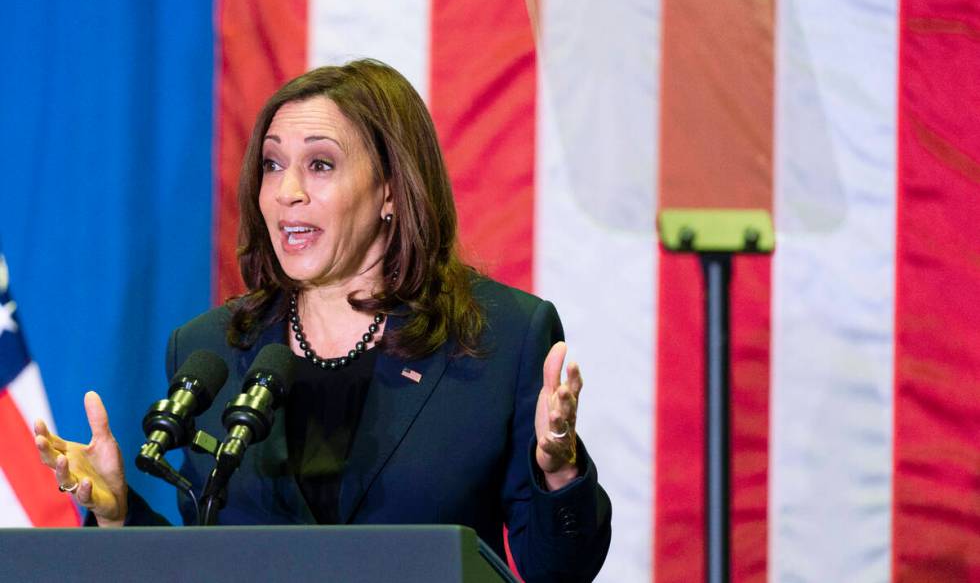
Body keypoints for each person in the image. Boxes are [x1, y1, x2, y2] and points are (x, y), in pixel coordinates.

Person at [33, 59, 611, 582]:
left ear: (390, 189)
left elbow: (557, 572)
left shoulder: (500, 338)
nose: (287, 192)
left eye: (320, 164)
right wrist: (116, 514)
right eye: (272, 163)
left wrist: (557, 470)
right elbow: (203, 566)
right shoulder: (209, 349)